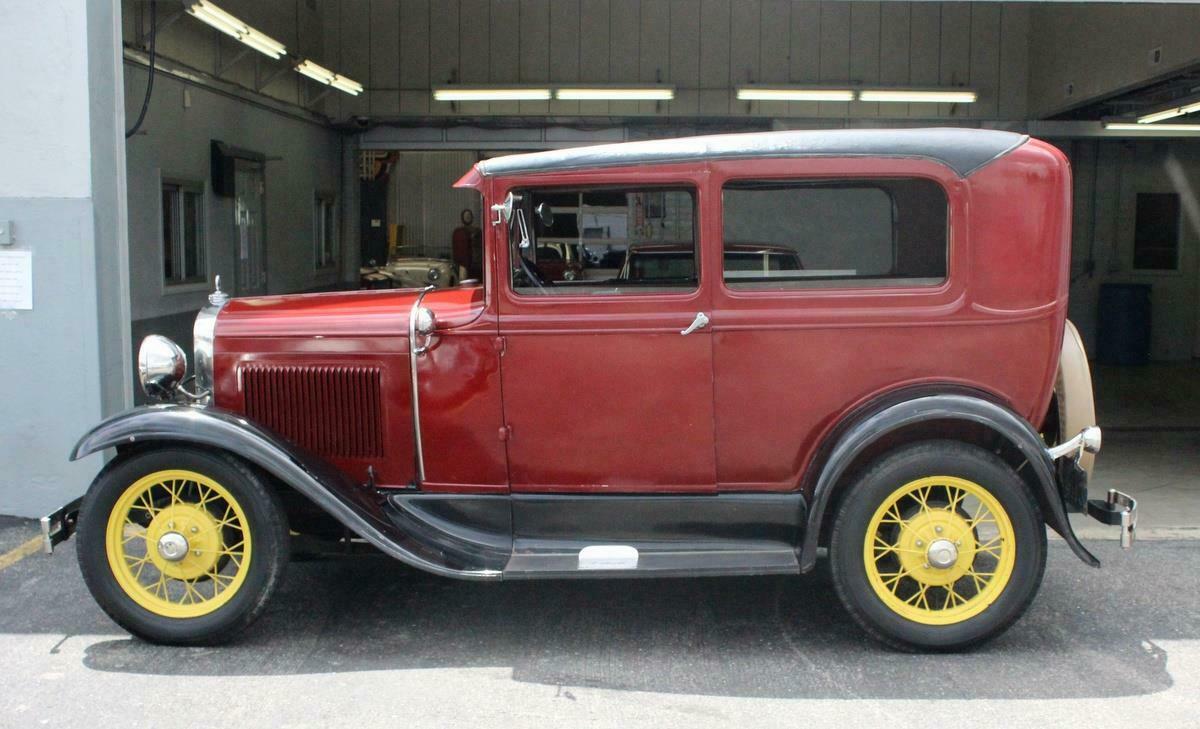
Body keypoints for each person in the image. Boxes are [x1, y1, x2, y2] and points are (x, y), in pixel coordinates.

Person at [451, 208, 482, 279]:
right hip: (463, 264)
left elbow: (479, 247)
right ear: (462, 218)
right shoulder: (458, 232)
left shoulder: (477, 231)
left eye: (469, 216)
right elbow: (457, 249)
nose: (467, 218)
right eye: (465, 216)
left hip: (476, 264)